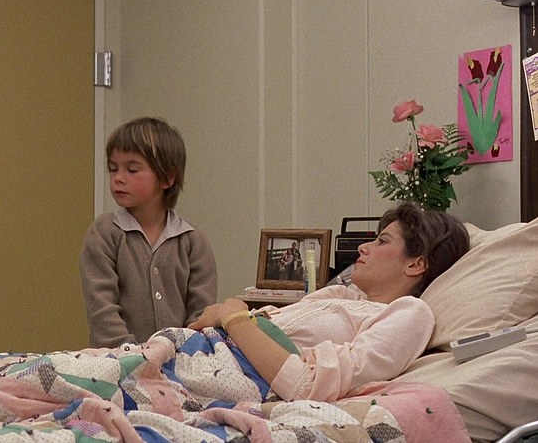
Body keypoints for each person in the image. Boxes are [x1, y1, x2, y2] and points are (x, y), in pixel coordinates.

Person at [189, 201, 470, 402]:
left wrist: (234, 318)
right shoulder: (341, 294)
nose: (363, 247)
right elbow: (265, 322)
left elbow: (306, 386)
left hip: (230, 372)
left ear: (416, 264)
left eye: (382, 242)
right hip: (202, 350)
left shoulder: (409, 314)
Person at [79, 117, 217, 348]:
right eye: (113, 169)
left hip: (179, 363)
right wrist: (133, 356)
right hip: (118, 361)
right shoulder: (103, 234)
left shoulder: (193, 243)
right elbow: (102, 311)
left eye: (132, 169)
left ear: (167, 177)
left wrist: (179, 355)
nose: (118, 178)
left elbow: (201, 317)